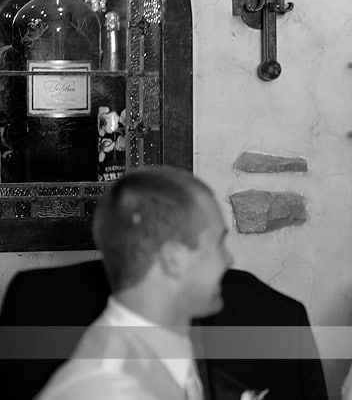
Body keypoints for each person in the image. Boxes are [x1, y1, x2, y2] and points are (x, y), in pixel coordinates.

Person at [36, 166, 234, 400]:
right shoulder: (107, 389)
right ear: (173, 259)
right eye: (219, 243)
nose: (229, 260)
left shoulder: (170, 346)